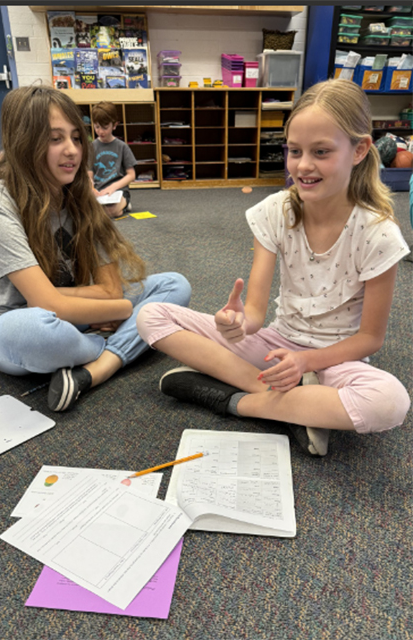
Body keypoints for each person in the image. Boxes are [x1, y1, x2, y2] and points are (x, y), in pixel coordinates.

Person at [136, 79, 411, 457]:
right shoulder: (276, 211)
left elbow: (369, 340)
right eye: (294, 151)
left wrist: (305, 362)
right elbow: (254, 314)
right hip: (276, 345)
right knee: (151, 316)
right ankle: (300, 404)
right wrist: (238, 324)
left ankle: (235, 400)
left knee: (390, 402)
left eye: (321, 151)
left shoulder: (378, 233)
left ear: (360, 149)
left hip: (335, 357)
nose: (303, 166)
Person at [0, 85, 191, 412]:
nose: (71, 150)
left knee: (175, 285)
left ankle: (97, 368)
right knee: (38, 332)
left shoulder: (80, 197)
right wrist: (123, 312)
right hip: (10, 324)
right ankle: (115, 344)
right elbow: (43, 304)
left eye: (75, 138)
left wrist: (100, 303)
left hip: (77, 314)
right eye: (55, 139)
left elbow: (111, 291)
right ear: (23, 142)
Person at [88, 101, 136, 218]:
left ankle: (125, 203)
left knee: (110, 212)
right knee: (82, 210)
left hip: (118, 191)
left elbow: (131, 175)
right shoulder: (91, 147)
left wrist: (113, 187)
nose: (100, 131)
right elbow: (89, 173)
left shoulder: (122, 146)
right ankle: (117, 208)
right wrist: (91, 188)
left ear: (114, 125)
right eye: (97, 127)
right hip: (98, 192)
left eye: (105, 127)